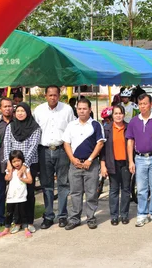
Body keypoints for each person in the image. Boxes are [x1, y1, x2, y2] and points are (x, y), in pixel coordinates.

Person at [34, 85, 75, 230]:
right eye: (50, 95)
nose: (53, 97)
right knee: (47, 185)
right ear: (45, 96)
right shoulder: (38, 111)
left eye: (55, 95)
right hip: (44, 150)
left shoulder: (67, 110)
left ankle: (62, 215)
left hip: (62, 150)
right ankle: (49, 215)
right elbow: (34, 131)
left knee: (63, 183)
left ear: (59, 95)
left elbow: (72, 129)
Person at [63, 98, 106, 230]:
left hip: (91, 165)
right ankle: (74, 218)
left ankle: (91, 217)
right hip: (75, 164)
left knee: (91, 192)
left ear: (90, 109)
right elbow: (66, 143)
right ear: (76, 109)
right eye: (79, 108)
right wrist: (72, 159)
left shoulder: (96, 125)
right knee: (75, 192)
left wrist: (90, 159)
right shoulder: (71, 125)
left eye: (84, 108)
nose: (82, 111)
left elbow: (100, 143)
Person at [126, 93, 152, 227]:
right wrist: (131, 161)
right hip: (139, 158)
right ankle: (142, 214)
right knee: (142, 189)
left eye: (145, 104)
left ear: (151, 104)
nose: (143, 106)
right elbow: (130, 141)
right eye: (140, 104)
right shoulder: (134, 121)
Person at [2, 102, 41, 233]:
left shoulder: (35, 128)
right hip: (13, 165)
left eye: (22, 111)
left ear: (28, 112)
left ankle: (29, 222)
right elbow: (7, 144)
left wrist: (25, 165)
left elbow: (33, 146)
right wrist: (9, 162)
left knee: (28, 194)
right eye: (17, 111)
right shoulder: (11, 126)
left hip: (30, 165)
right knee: (15, 194)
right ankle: (17, 222)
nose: (20, 113)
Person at [101, 105, 131, 226]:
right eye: (116, 113)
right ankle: (114, 216)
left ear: (124, 115)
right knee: (113, 190)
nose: (118, 116)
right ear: (112, 115)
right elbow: (102, 150)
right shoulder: (107, 129)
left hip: (126, 163)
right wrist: (103, 165)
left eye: (120, 113)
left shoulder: (129, 128)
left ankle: (124, 214)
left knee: (126, 189)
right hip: (112, 163)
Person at [0, 150, 34, 238]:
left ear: (22, 160)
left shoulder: (26, 169)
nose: (16, 163)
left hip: (21, 196)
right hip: (11, 197)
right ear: (11, 162)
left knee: (23, 213)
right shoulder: (10, 170)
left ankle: (26, 228)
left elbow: (30, 180)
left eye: (18, 161)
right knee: (9, 213)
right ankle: (7, 228)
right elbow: (6, 178)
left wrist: (22, 178)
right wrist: (9, 173)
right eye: (14, 161)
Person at [0, 97, 14, 230]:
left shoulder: (18, 122)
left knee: (16, 192)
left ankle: (15, 217)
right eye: (5, 106)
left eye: (10, 106)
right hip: (0, 163)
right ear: (0, 109)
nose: (8, 109)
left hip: (16, 164)